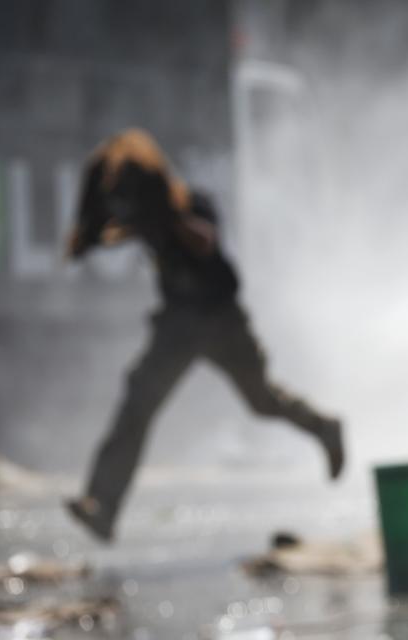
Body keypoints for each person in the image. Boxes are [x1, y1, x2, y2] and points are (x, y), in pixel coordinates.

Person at [63, 129, 344, 542]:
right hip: (178, 325)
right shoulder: (144, 218)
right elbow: (103, 226)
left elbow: (206, 241)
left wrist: (170, 220)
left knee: (261, 401)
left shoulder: (190, 205)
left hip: (221, 321)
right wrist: (93, 234)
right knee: (137, 403)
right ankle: (102, 506)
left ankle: (324, 427)